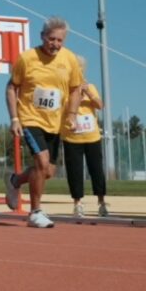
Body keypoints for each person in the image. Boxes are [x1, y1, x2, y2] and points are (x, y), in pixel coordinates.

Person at [4, 17, 84, 227]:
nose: (55, 44)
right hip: (30, 118)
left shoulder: (70, 60)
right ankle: (35, 212)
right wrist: (14, 119)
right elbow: (12, 87)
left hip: (55, 122)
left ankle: (15, 181)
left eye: (60, 40)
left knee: (48, 171)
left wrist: (72, 114)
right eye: (51, 39)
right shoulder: (27, 58)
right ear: (42, 37)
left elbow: (76, 88)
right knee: (41, 161)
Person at [61, 83, 109, 217]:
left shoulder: (91, 87)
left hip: (91, 136)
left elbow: (100, 105)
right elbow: (61, 109)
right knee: (74, 171)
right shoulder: (64, 89)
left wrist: (88, 93)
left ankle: (101, 203)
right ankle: (77, 204)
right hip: (72, 137)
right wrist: (74, 100)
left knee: (97, 170)